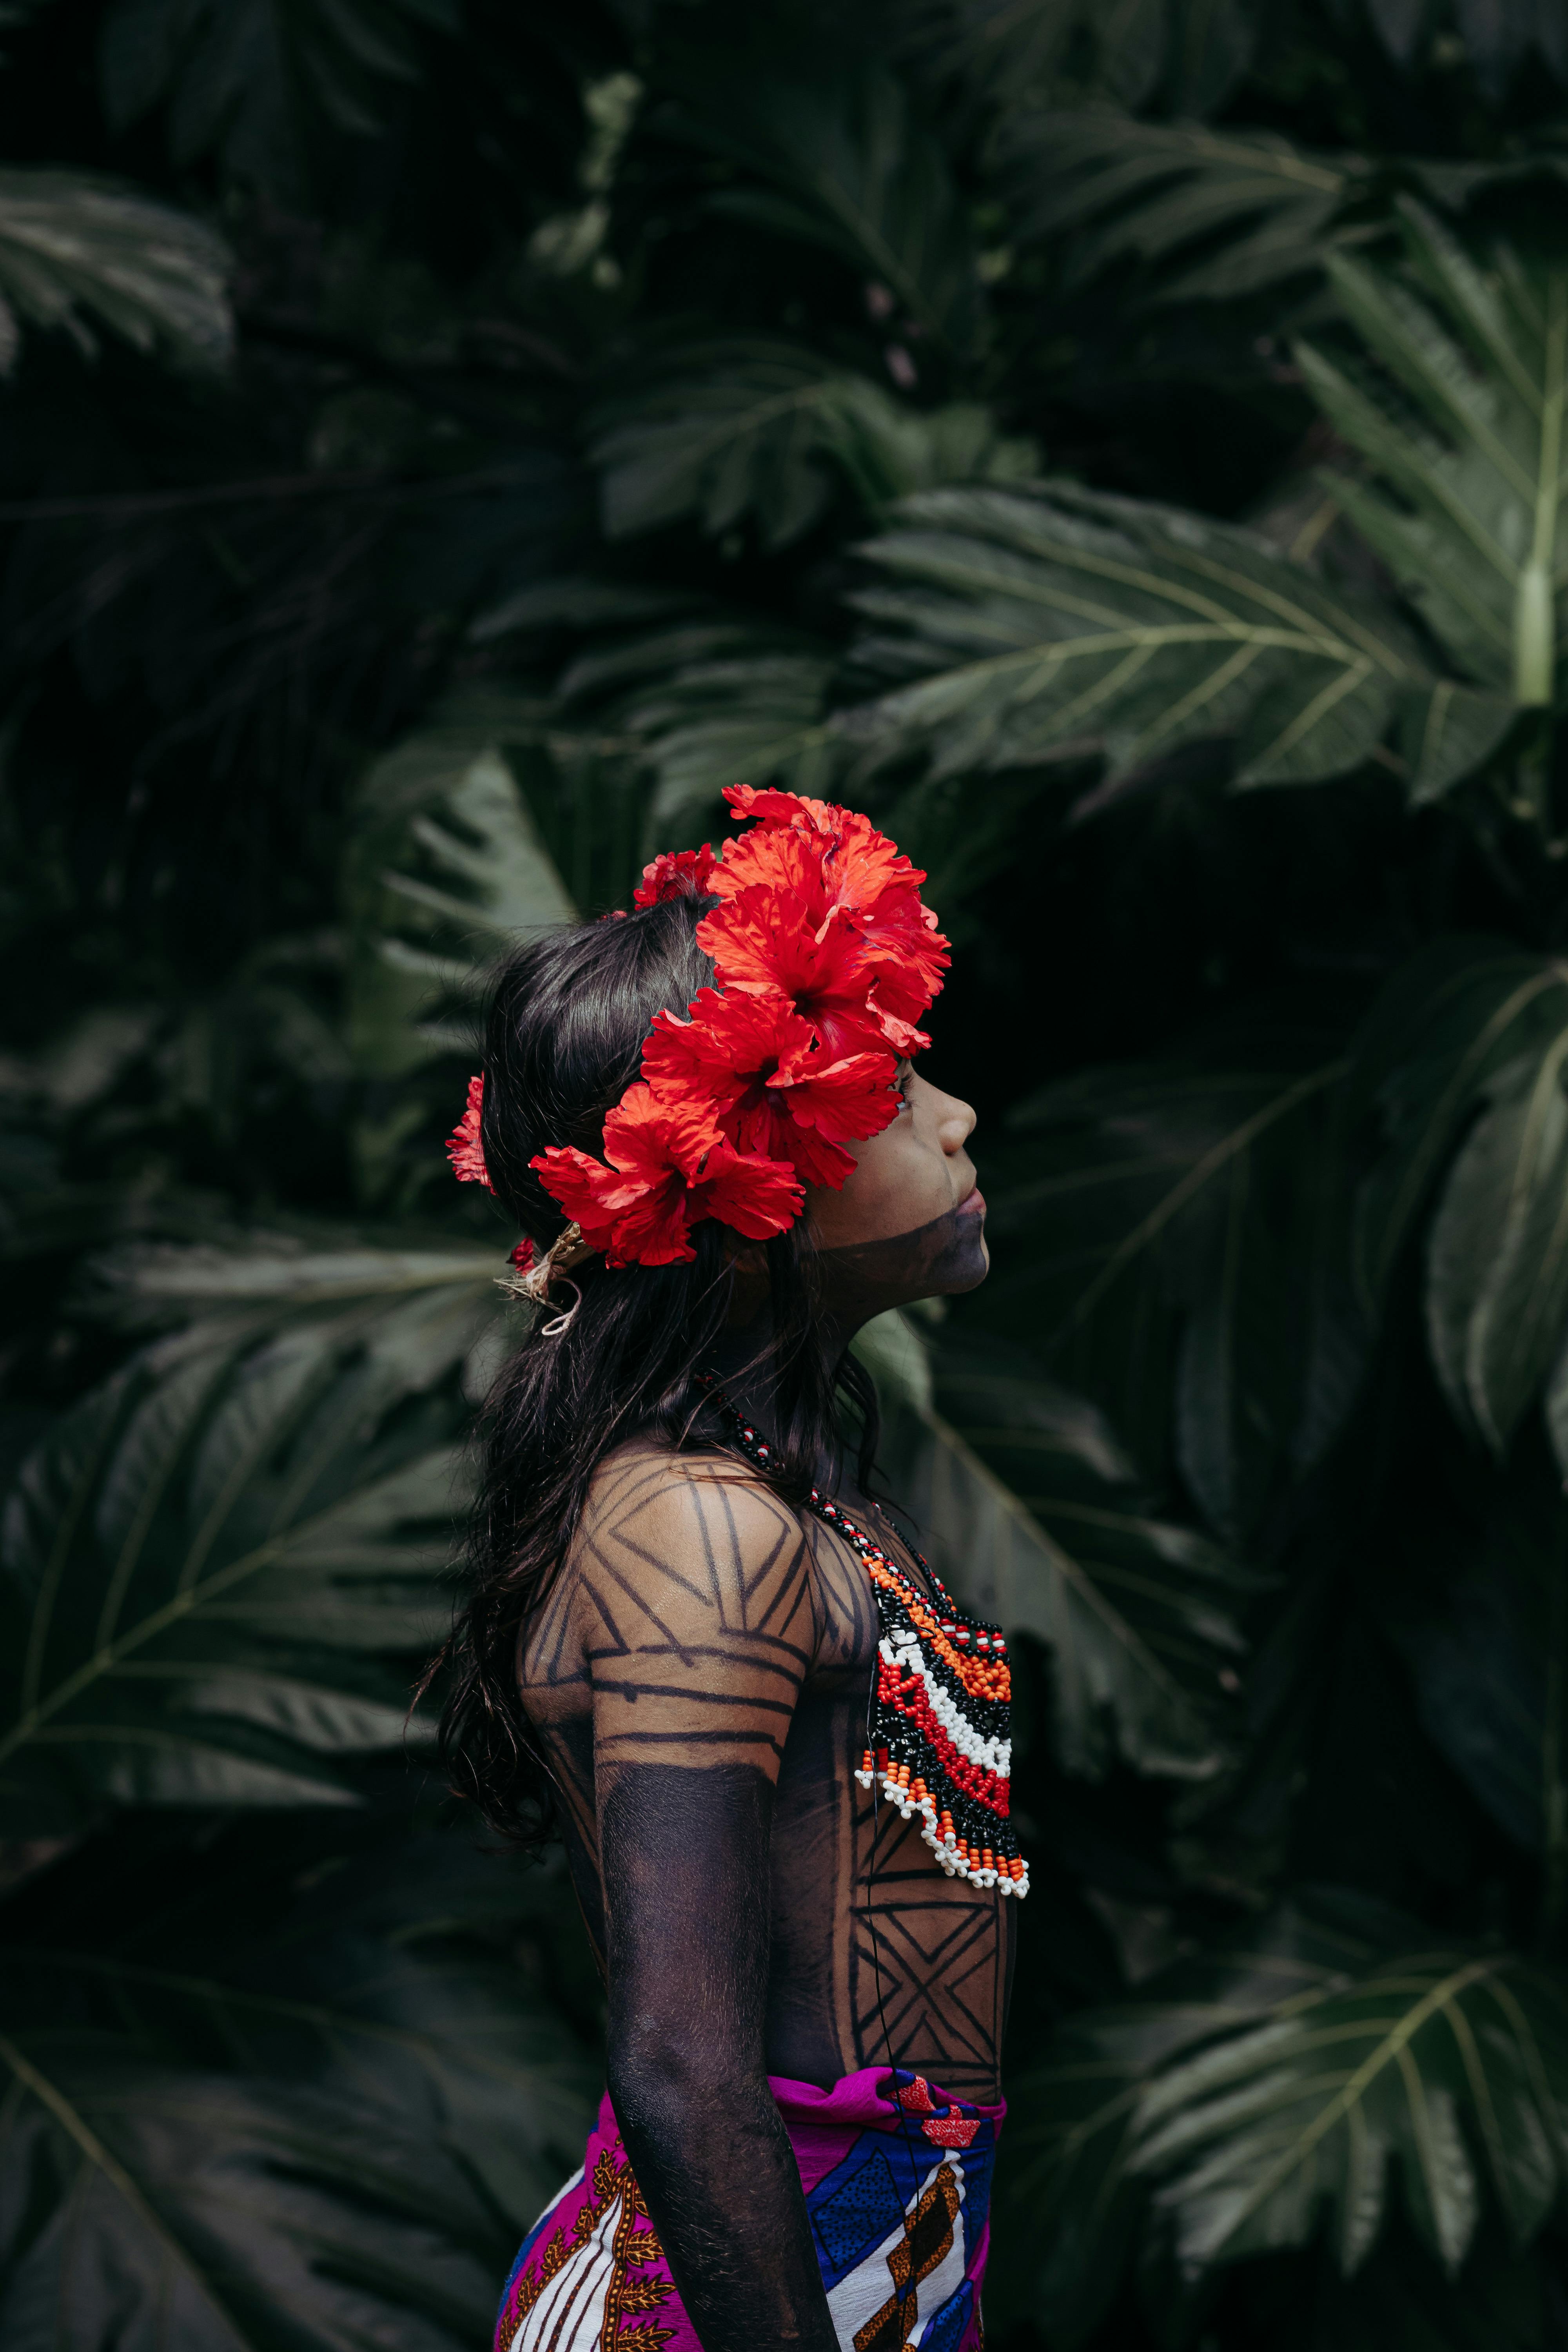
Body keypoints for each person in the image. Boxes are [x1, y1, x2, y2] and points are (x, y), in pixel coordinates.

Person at [436, 787, 1027, 2352]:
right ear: (741, 1170)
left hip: (879, 2236)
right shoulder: (695, 1526)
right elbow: (687, 2068)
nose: (956, 1118)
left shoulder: (783, 1492)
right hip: (751, 2271)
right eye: (893, 1096)